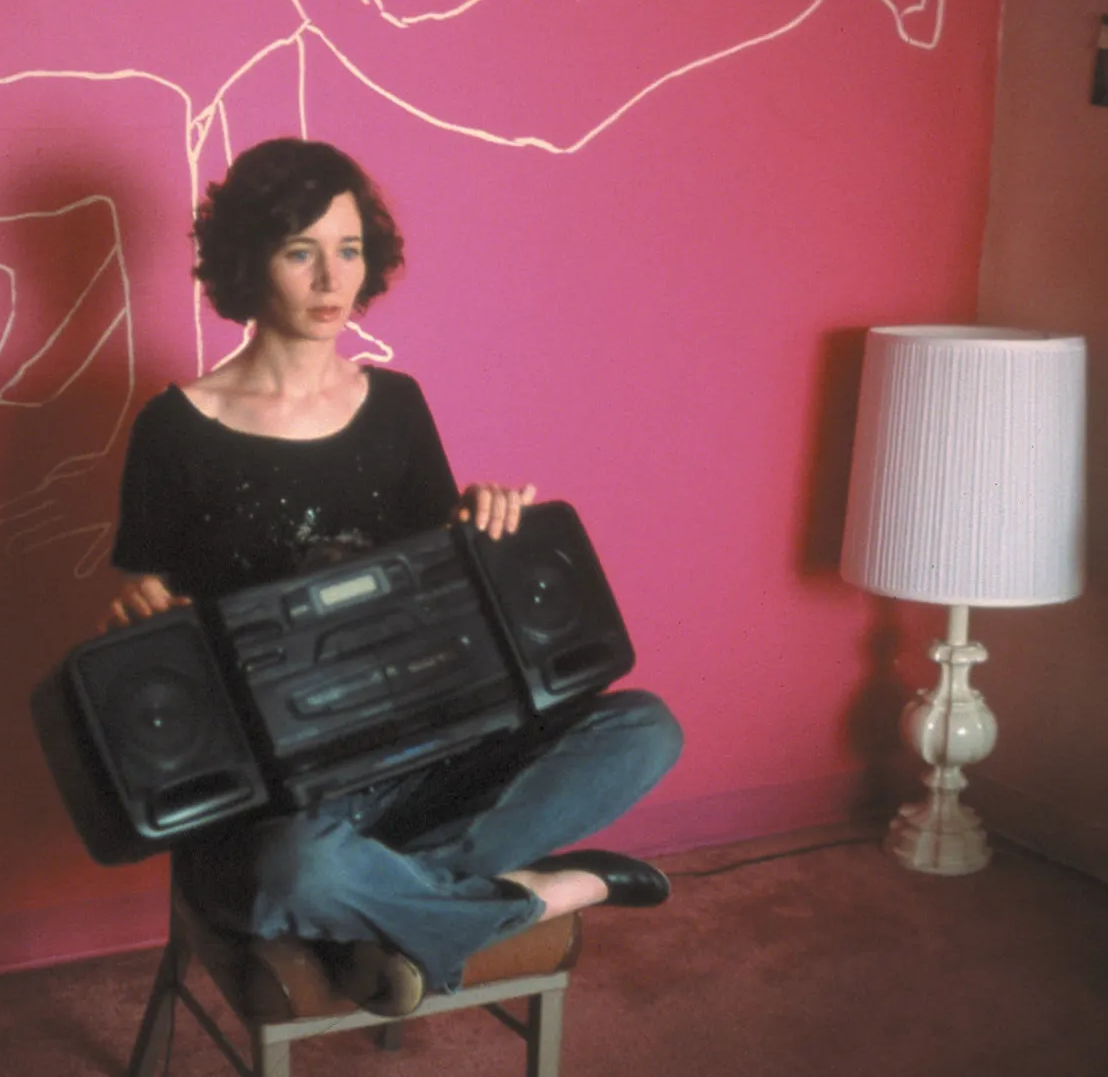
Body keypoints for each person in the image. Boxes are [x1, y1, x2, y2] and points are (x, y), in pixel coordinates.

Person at [106, 137, 683, 1017]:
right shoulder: (174, 428)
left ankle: (388, 907)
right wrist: (134, 610)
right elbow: (146, 637)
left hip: (427, 758)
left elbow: (441, 592)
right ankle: (534, 895)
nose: (330, 278)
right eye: (300, 251)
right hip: (287, 805)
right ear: (250, 262)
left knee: (644, 729)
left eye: (348, 249)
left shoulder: (398, 406)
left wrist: (481, 524)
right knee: (296, 870)